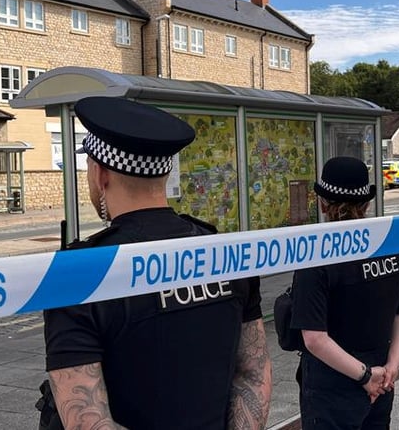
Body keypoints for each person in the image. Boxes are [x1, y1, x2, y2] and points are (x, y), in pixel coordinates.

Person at [42, 97, 271, 430]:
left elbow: (87, 420)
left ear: (100, 174)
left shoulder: (79, 272)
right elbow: (254, 373)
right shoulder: (226, 253)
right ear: (164, 172)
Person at [289, 156, 399, 430]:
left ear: (322, 202)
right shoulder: (389, 249)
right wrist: (392, 367)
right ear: (367, 203)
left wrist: (364, 377)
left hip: (333, 381)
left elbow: (314, 339)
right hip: (382, 376)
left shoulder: (317, 257)